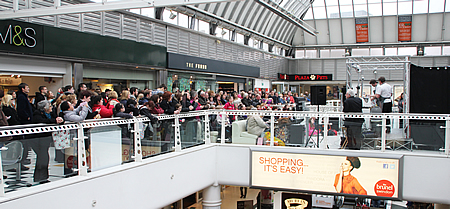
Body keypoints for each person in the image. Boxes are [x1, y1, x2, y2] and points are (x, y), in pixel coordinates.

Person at [31, 100, 64, 183]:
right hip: (37, 139)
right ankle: (41, 177)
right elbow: (41, 121)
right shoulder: (37, 114)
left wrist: (59, 119)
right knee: (43, 157)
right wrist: (54, 121)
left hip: (46, 138)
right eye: (49, 106)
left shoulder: (51, 114)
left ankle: (42, 176)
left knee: (43, 157)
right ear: (44, 108)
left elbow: (55, 118)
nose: (51, 108)